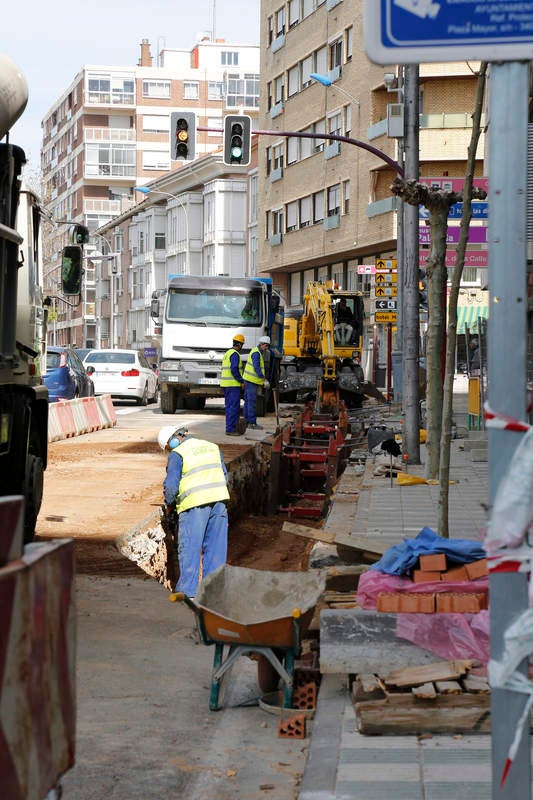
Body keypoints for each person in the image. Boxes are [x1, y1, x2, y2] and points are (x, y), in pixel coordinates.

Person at [158, 425, 230, 599]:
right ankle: (213, 592)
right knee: (216, 551)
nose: (169, 451)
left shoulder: (178, 453)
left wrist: (169, 505)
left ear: (172, 441)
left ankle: (188, 593)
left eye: (167, 448)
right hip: (219, 502)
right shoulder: (212, 447)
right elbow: (225, 476)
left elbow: (171, 486)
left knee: (190, 548)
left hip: (194, 506)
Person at [243, 335, 271, 430]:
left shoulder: (256, 351)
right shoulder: (257, 353)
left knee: (248, 402)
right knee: (251, 402)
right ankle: (252, 423)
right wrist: (264, 380)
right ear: (262, 344)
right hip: (251, 381)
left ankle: (246, 421)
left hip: (249, 380)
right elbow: (257, 368)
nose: (266, 348)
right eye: (266, 346)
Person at [221, 334, 245, 436]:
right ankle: (231, 429)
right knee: (233, 407)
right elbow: (234, 369)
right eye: (242, 345)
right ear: (239, 344)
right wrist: (241, 381)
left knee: (229, 407)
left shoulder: (227, 353)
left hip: (226, 385)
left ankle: (230, 428)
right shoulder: (235, 354)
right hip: (233, 385)